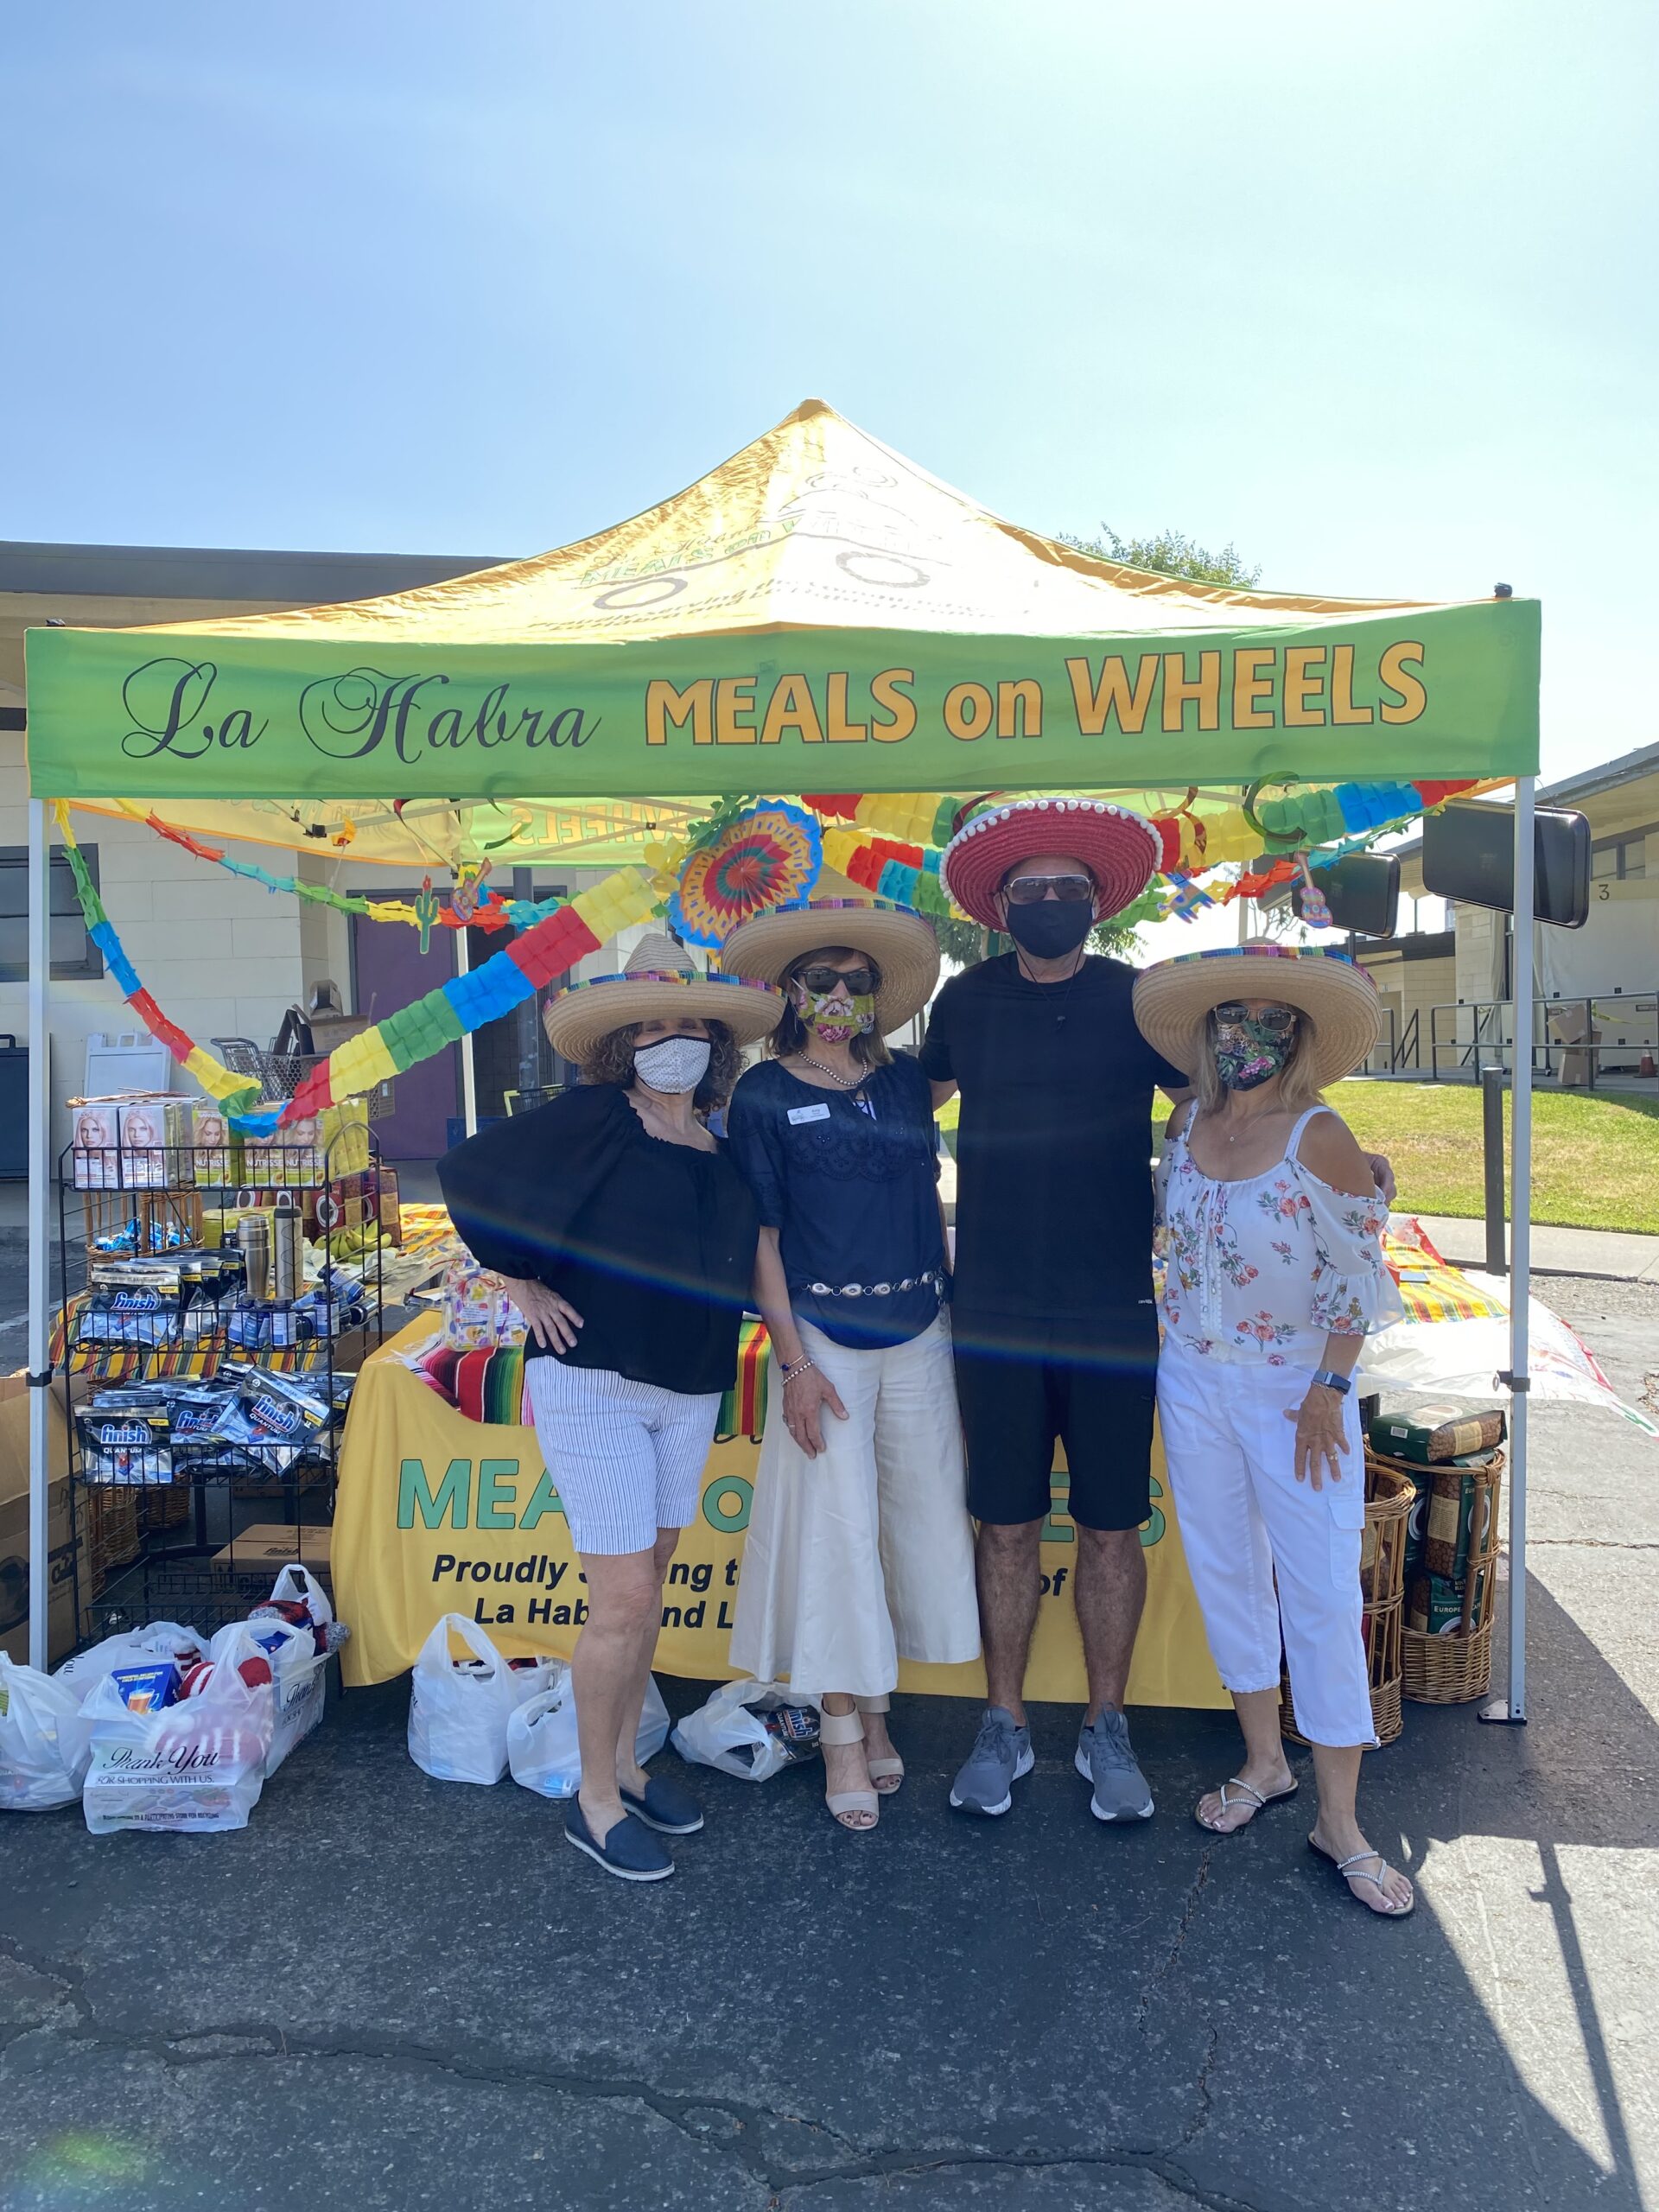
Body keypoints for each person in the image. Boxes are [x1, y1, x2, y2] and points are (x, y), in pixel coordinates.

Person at [923, 800, 1396, 1827]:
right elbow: (915, 1102)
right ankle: (1003, 1722)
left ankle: (1107, 1725)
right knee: (1003, 1526)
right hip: (994, 1307)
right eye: (1032, 889)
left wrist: (1341, 1162)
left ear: (1098, 901)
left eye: (1070, 888)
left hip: (1114, 1309)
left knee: (1108, 1528)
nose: (1052, 902)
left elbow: (1220, 1098)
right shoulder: (963, 1002)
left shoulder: (1135, 1002)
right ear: (999, 903)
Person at [437, 932, 783, 1883]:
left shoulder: (715, 1142)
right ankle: (594, 1800)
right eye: (653, 1025)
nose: (674, 1040)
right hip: (592, 1382)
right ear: (623, 1041)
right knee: (623, 1597)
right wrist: (519, 1284)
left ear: (716, 1041)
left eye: (691, 1025)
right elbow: (471, 1173)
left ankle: (628, 1762)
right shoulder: (597, 1116)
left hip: (688, 1388)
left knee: (653, 1579)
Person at [1134, 944, 1412, 1916]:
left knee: (1321, 1590)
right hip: (1193, 1378)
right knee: (1227, 1571)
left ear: (1297, 1036)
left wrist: (1331, 1388)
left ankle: (1341, 1819)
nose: (1247, 1034)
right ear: (1206, 1032)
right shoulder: (1185, 1125)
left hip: (1299, 1389)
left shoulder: (1319, 1134)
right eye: (1231, 1017)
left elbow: (1358, 1274)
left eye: (1270, 1020)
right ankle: (1264, 1760)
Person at [720, 899, 979, 1833]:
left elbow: (931, 1191)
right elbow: (762, 1237)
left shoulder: (907, 1083)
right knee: (834, 1533)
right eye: (820, 979)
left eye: (857, 980)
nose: (839, 994)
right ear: (790, 990)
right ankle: (841, 1727)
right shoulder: (761, 1095)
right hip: (823, 1338)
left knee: (914, 1521)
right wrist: (792, 1364)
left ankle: (877, 1707)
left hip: (921, 1328)